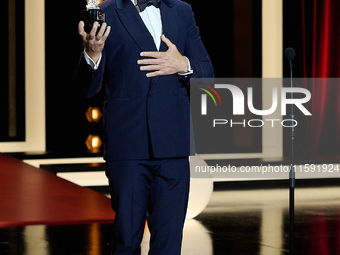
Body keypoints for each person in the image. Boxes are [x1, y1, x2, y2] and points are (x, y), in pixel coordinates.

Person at [75, 0, 213, 254]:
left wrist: (183, 65)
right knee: (126, 241)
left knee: (169, 244)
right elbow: (86, 88)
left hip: (173, 145)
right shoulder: (106, 12)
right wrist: (92, 54)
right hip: (128, 144)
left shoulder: (182, 11)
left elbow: (207, 71)